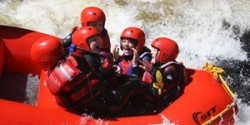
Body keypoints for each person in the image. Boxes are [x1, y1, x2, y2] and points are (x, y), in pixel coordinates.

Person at [45, 26, 117, 113]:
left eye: (97, 38)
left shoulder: (52, 77)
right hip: (99, 103)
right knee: (133, 82)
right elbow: (99, 79)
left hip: (81, 107)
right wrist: (112, 72)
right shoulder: (80, 58)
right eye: (94, 39)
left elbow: (63, 101)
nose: (98, 41)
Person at [110, 37, 187, 115]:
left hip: (158, 99)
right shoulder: (163, 64)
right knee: (127, 78)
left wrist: (152, 70)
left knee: (136, 83)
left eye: (155, 51)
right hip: (154, 92)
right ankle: (112, 94)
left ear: (164, 54)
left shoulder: (170, 70)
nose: (152, 53)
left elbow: (161, 91)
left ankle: (114, 101)